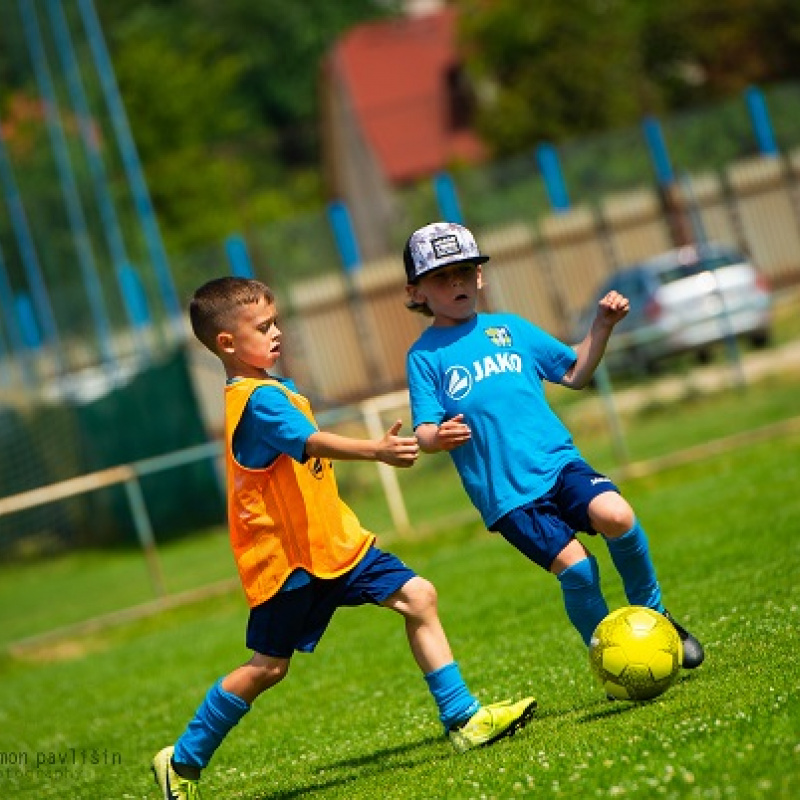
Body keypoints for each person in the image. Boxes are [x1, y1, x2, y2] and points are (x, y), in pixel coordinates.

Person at [152, 277, 537, 800]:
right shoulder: (258, 400)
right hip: (289, 563)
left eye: (276, 322)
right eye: (263, 328)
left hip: (337, 545)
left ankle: (464, 719)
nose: (277, 333)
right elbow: (310, 442)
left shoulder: (274, 389)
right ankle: (182, 760)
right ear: (226, 342)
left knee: (419, 595)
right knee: (267, 669)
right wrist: (376, 450)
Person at [402, 221, 705, 681]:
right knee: (579, 571)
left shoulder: (510, 329)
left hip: (559, 464)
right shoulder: (425, 356)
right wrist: (435, 438)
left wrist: (601, 326)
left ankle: (657, 618)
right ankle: (611, 659)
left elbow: (576, 373)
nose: (457, 283)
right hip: (509, 497)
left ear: (480, 277)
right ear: (417, 291)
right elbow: (423, 430)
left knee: (618, 516)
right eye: (442, 277)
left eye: (465, 272)